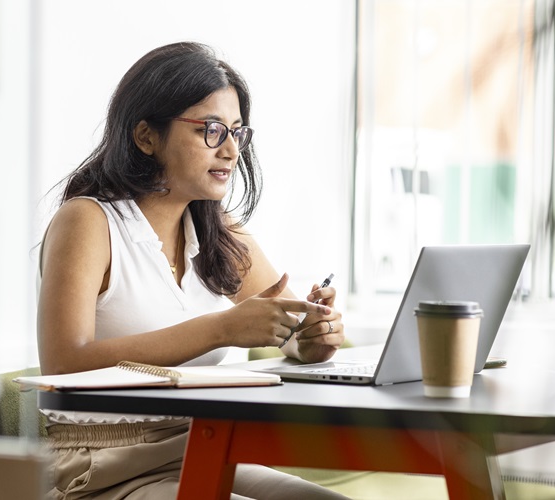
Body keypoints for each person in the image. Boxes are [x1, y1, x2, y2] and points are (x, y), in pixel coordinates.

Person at [37, 41, 348, 499]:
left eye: (237, 133)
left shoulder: (221, 233)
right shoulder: (88, 222)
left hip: (202, 447)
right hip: (104, 464)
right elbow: (63, 364)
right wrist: (220, 329)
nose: (230, 151)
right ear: (146, 137)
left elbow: (292, 326)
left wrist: (313, 338)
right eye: (211, 130)